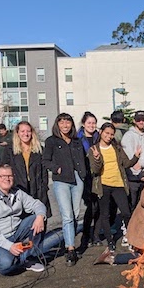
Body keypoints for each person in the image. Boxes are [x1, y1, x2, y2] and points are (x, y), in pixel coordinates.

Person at [0, 164, 46, 275]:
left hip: (14, 232)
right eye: (2, 176)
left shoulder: (17, 193)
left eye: (10, 176)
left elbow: (36, 204)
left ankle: (30, 258)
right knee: (6, 263)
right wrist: (10, 246)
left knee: (38, 219)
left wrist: (40, 216)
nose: (6, 179)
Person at [43, 113, 87, 266]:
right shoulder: (51, 141)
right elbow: (45, 160)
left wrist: (84, 174)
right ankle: (70, 249)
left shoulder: (76, 141)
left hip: (77, 179)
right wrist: (56, 169)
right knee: (67, 215)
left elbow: (83, 159)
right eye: (62, 123)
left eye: (67, 123)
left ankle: (70, 243)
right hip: (61, 180)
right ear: (57, 125)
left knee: (74, 214)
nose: (65, 125)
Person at [88, 123, 140, 250]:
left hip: (118, 184)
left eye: (111, 134)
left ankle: (131, 237)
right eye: (107, 133)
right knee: (104, 214)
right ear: (101, 132)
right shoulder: (94, 149)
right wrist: (97, 158)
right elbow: (95, 170)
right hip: (103, 185)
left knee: (126, 212)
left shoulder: (116, 147)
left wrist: (136, 157)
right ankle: (110, 242)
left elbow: (126, 163)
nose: (109, 136)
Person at [9, 121, 51, 219]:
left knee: (40, 217)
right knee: (23, 221)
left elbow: (44, 171)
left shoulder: (39, 149)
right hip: (19, 188)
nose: (26, 134)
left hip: (37, 188)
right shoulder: (11, 151)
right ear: (17, 133)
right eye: (22, 131)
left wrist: (44, 187)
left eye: (28, 131)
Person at [121, 110, 144, 212]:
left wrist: (140, 163)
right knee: (131, 206)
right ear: (134, 121)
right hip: (133, 178)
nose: (141, 122)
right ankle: (127, 227)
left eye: (143, 120)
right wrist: (139, 174)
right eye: (138, 120)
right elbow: (129, 159)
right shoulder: (128, 136)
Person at [78, 112, 100, 248]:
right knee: (90, 207)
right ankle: (86, 234)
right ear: (83, 124)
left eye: (93, 123)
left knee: (100, 207)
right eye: (89, 123)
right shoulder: (78, 139)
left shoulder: (99, 137)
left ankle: (96, 235)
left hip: (99, 175)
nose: (92, 125)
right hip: (86, 176)